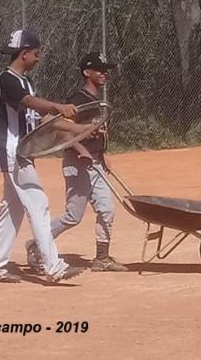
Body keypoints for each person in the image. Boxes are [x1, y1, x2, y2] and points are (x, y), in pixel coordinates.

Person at [0, 29, 88, 283]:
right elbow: (31, 103)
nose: (39, 58)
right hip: (13, 152)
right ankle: (54, 266)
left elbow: (45, 119)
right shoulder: (7, 80)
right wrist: (57, 105)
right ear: (24, 53)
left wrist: (80, 129)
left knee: (11, 210)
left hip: (22, 153)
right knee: (38, 204)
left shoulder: (26, 82)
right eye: (37, 54)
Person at [26, 52, 128, 272]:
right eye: (99, 70)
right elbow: (60, 131)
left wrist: (103, 156)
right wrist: (81, 149)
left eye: (106, 70)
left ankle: (102, 258)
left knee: (107, 209)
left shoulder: (97, 100)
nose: (104, 74)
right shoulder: (78, 100)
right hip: (77, 162)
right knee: (73, 216)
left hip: (95, 163)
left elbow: (97, 134)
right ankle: (37, 243)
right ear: (86, 73)